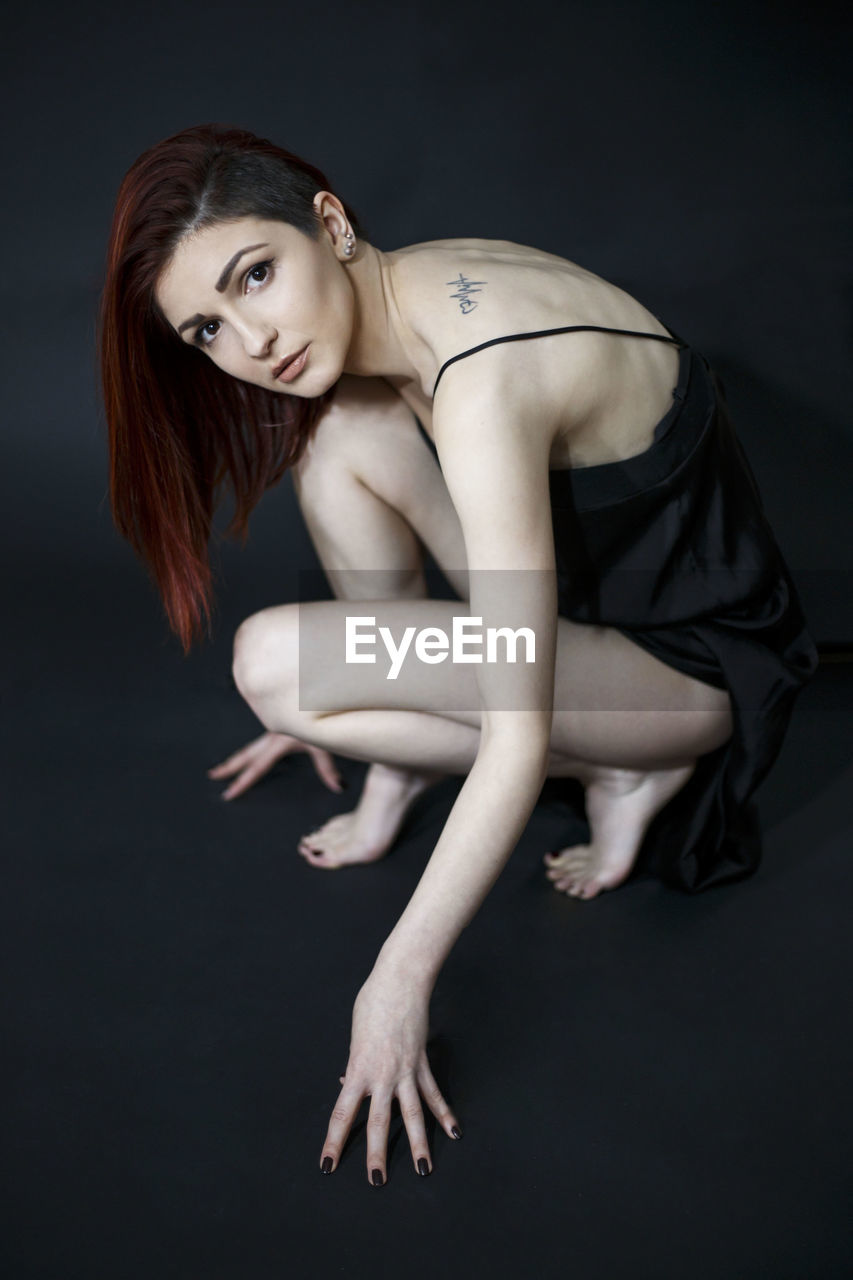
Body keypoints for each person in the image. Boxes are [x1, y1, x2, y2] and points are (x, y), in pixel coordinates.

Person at [98, 122, 818, 1186]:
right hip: (585, 600)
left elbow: (513, 742)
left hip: (696, 666)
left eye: (257, 275)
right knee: (338, 432)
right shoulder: (419, 292)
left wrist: (395, 979)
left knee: (274, 664)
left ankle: (630, 761)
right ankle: (401, 775)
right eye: (208, 326)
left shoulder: (484, 378)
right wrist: (368, 698)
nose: (250, 340)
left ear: (329, 223)